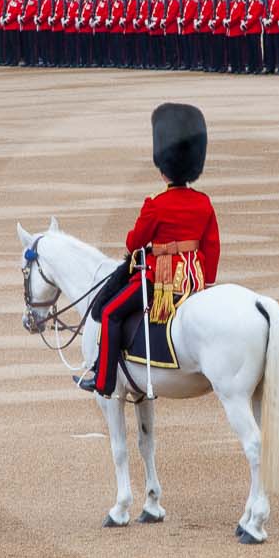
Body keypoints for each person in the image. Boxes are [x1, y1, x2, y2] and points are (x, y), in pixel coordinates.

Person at [81, 103, 220, 397]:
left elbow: (133, 243)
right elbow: (212, 244)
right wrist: (206, 280)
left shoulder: (155, 205)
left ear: (163, 169)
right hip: (193, 276)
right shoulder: (203, 202)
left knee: (109, 314)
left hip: (161, 276)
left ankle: (103, 381)